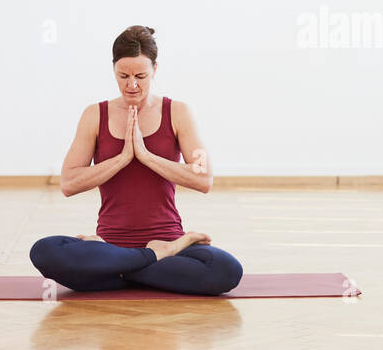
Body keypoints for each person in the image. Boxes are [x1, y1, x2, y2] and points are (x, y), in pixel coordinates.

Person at [29, 25, 244, 295]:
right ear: (114, 71)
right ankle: (148, 262)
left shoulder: (177, 112)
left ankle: (120, 272)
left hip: (165, 244)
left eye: (141, 76)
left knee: (226, 270)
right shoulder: (95, 115)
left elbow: (203, 178)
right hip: (111, 246)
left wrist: (146, 156)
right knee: (44, 251)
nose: (132, 84)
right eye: (124, 76)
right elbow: (69, 183)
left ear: (155, 69)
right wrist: (122, 158)